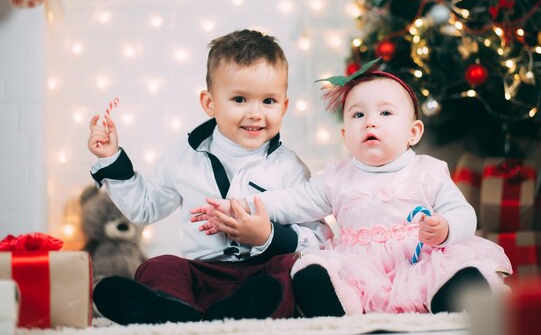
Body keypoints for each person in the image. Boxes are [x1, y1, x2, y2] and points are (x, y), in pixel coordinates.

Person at [192, 62, 512, 316]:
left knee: (449, 268)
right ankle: (332, 301)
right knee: (318, 267)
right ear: (346, 135)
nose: (370, 122)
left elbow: (463, 213)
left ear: (413, 132)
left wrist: (445, 228)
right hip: (363, 267)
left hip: (419, 261)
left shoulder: (428, 171)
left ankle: (453, 293)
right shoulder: (337, 177)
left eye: (385, 113)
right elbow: (291, 201)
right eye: (359, 114)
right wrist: (239, 204)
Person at [87, 29, 330, 325]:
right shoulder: (182, 157)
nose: (255, 113)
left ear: (284, 106)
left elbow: (318, 239)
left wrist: (267, 236)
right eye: (240, 99)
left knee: (286, 271)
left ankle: (241, 314)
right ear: (209, 103)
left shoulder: (289, 167)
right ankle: (172, 310)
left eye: (269, 101)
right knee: (158, 266)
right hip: (203, 274)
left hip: (259, 278)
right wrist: (111, 159)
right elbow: (144, 207)